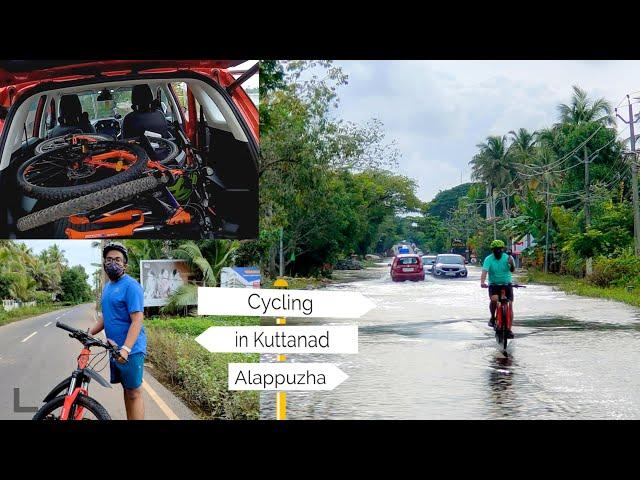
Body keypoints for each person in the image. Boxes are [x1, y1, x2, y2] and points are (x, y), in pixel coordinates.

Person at [89, 242, 146, 420]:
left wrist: (126, 349)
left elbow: (137, 320)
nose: (113, 263)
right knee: (126, 389)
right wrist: (88, 334)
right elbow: (106, 317)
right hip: (114, 349)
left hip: (130, 350)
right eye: (109, 259)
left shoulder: (131, 286)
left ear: (125, 265)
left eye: (117, 260)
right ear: (104, 263)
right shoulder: (107, 288)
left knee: (134, 393)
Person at [480, 239, 516, 338]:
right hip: (494, 285)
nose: (498, 252)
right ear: (493, 250)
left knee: (510, 305)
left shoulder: (508, 258)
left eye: (500, 249)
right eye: (496, 250)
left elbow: (512, 270)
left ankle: (509, 329)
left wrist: (511, 263)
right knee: (494, 300)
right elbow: (484, 272)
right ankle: (492, 317)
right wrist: (482, 282)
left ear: (503, 249)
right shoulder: (488, 259)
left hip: (507, 284)